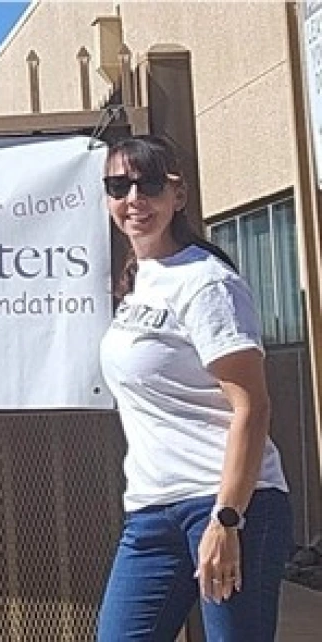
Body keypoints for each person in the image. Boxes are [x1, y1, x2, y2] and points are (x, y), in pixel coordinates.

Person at [95, 135, 292, 641]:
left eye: (150, 183)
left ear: (177, 195)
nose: (134, 197)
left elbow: (252, 405)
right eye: (120, 185)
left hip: (228, 504)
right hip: (150, 513)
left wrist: (227, 519)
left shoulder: (207, 283)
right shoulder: (139, 279)